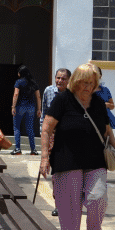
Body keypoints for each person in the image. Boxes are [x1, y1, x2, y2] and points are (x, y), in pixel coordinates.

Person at [40, 63, 115, 230]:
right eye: (84, 82)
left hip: (95, 159)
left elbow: (107, 130)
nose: (87, 87)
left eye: (92, 83)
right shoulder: (63, 100)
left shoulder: (97, 102)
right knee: (69, 203)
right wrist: (44, 157)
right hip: (66, 158)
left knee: (98, 198)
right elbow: (46, 129)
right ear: (76, 81)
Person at [41, 68, 71, 216]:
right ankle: (58, 204)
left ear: (69, 81)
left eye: (63, 79)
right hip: (53, 136)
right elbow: (44, 112)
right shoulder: (48, 91)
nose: (60, 81)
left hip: (68, 138)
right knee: (56, 172)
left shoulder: (72, 95)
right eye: (58, 78)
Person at [11, 65, 40, 155]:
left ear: (21, 73)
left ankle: (18, 149)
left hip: (20, 106)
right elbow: (38, 97)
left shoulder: (19, 82)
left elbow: (16, 94)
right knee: (30, 128)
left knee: (16, 127)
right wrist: (39, 109)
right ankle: (33, 149)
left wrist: (13, 106)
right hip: (31, 107)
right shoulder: (33, 83)